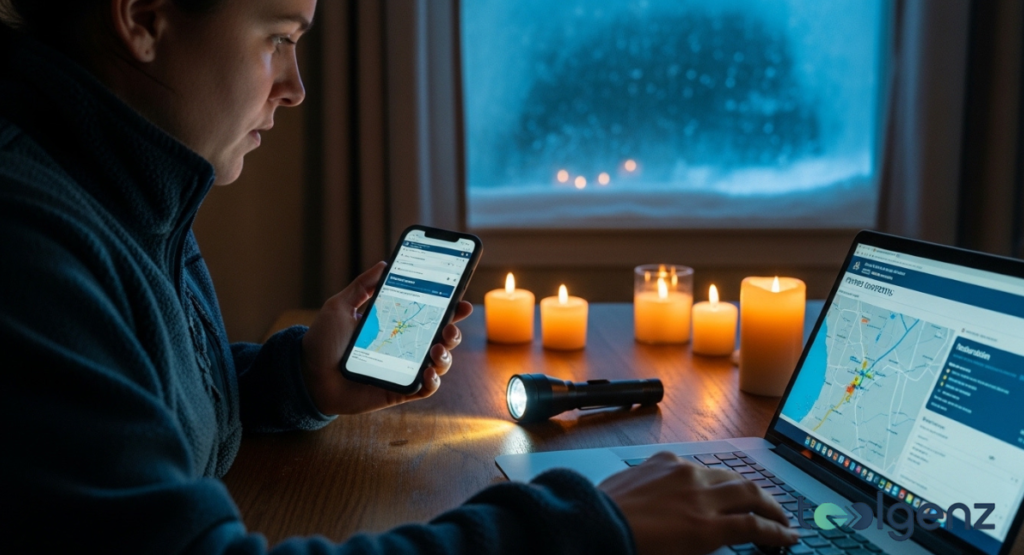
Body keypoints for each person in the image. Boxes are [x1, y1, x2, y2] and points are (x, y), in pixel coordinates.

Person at [0, 0, 801, 553]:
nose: (296, 87)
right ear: (142, 18)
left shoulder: (130, 189)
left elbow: (131, 407)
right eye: (278, 35)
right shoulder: (31, 244)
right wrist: (586, 524)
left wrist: (295, 380)